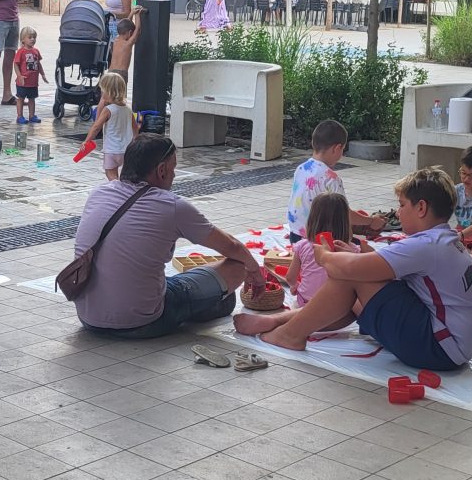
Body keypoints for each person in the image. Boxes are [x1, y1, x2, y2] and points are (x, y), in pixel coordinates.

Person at [236, 168, 472, 371]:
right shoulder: (443, 240)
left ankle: (290, 333)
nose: (398, 212)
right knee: (355, 294)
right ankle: (281, 322)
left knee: (350, 274)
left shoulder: (425, 245)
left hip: (438, 348)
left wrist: (324, 255)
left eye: (402, 205)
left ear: (421, 208)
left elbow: (352, 268)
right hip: (450, 345)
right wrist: (356, 255)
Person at [71, 134, 266, 338]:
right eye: (173, 168)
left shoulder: (99, 193)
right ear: (162, 170)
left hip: (88, 318)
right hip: (143, 322)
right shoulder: (171, 206)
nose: (173, 176)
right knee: (236, 269)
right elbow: (232, 247)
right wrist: (255, 272)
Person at [285, 120, 384, 244]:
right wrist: (371, 221)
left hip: (295, 237)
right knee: (362, 248)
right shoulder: (330, 178)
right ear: (337, 148)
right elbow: (345, 214)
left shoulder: (301, 169)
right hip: (320, 241)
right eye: (342, 149)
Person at [285, 193, 362, 306]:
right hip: (337, 306)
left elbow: (290, 277)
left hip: (306, 303)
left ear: (312, 219)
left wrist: (295, 286)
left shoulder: (303, 246)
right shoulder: (351, 250)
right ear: (346, 222)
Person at [82, 72, 136, 181]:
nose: (101, 92)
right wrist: (135, 145)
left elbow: (96, 127)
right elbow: (135, 130)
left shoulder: (108, 110)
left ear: (109, 92)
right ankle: (123, 189)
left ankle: (116, 190)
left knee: (110, 174)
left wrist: (87, 141)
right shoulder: (128, 109)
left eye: (102, 90)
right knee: (125, 176)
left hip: (111, 150)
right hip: (126, 151)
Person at [12, 26, 46, 124]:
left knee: (32, 99)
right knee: (21, 99)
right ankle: (19, 116)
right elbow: (16, 64)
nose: (32, 39)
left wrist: (42, 74)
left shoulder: (36, 51)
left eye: (34, 37)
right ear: (23, 39)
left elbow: (38, 64)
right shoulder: (21, 52)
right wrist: (19, 75)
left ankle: (32, 115)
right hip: (23, 82)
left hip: (33, 82)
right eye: (30, 37)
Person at [107, 16, 139, 80]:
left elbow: (125, 25)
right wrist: (138, 14)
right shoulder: (128, 44)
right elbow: (138, 29)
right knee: (121, 90)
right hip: (121, 73)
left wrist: (132, 13)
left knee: (109, 90)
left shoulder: (116, 40)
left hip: (110, 72)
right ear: (130, 33)